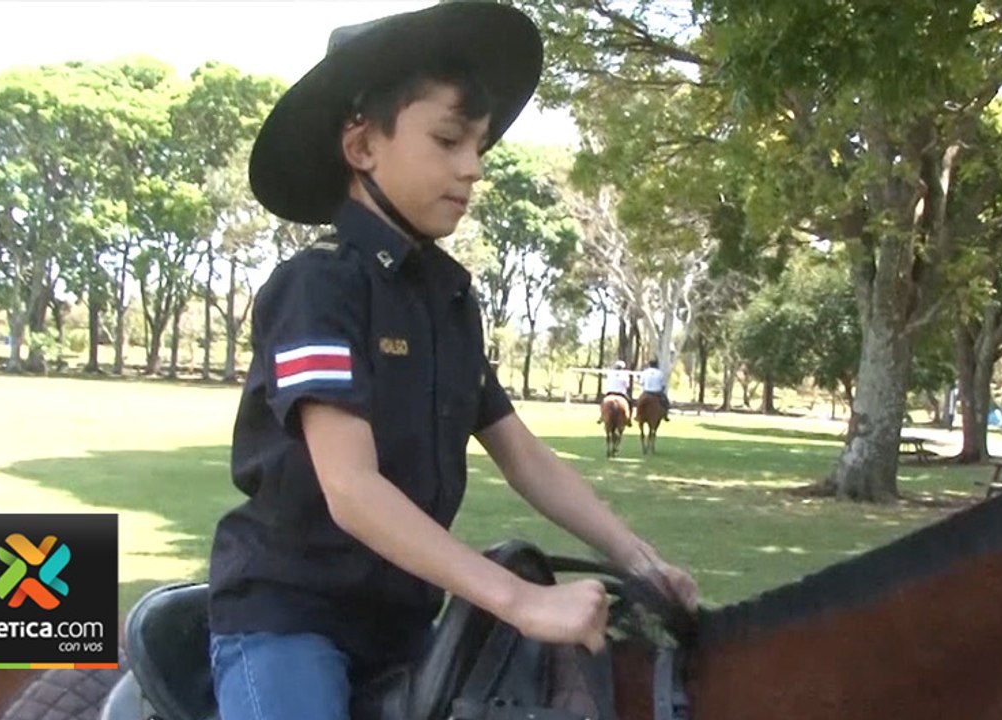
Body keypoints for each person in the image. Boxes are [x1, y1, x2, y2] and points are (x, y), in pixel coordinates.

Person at [204, 5, 700, 720]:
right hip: (291, 622)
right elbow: (351, 489)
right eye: (446, 140)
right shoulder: (318, 286)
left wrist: (639, 561)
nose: (470, 168)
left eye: (478, 146)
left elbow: (523, 455)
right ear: (362, 146)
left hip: (404, 626)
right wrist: (519, 600)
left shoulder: (447, 296)